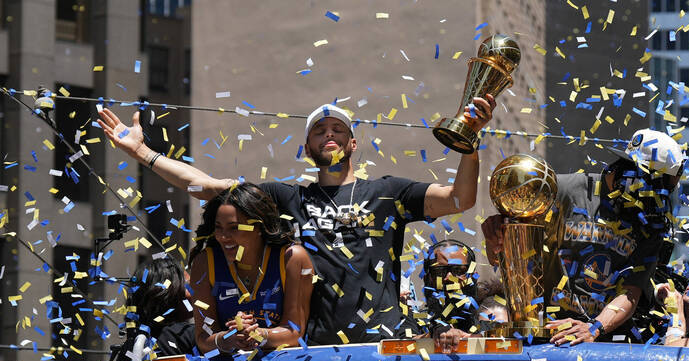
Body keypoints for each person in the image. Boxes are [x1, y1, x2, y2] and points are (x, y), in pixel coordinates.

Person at [97, 96, 495, 345]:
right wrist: (143, 154)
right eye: (319, 131)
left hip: (389, 344)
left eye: (338, 129)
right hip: (319, 348)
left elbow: (459, 199)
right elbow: (207, 187)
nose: (329, 134)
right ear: (308, 149)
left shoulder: (388, 193)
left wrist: (469, 144)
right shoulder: (288, 198)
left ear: (353, 143)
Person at [482, 129, 685, 345]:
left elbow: (631, 292)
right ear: (633, 172)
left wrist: (594, 327)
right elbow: (505, 254)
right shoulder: (564, 190)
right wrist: (496, 237)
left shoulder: (651, 224)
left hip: (600, 342)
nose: (659, 200)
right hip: (541, 333)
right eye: (657, 188)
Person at [187, 183, 313, 354]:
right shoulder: (204, 263)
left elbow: (294, 333)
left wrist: (259, 335)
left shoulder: (292, 258)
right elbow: (203, 338)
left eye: (234, 228)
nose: (223, 237)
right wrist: (227, 339)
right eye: (218, 228)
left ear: (259, 227)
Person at [109, 256, 196, 361]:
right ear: (169, 292)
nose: (197, 291)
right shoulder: (190, 336)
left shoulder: (129, 349)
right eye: (189, 285)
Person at [422, 239, 479, 352]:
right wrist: (434, 333)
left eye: (458, 270)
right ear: (427, 278)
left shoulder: (491, 315)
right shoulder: (414, 319)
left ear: (473, 276)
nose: (448, 278)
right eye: (439, 271)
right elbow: (402, 341)